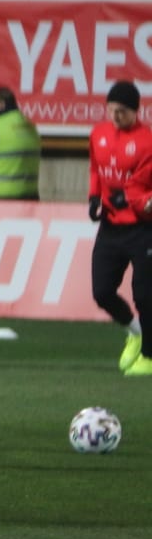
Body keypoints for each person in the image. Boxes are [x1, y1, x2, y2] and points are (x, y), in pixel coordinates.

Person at [88, 81, 152, 376]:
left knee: (146, 294)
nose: (115, 116)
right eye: (111, 110)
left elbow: (141, 186)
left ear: (135, 112)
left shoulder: (147, 141)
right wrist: (93, 195)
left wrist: (124, 198)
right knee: (102, 291)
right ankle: (136, 332)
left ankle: (149, 358)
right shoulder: (99, 134)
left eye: (122, 112)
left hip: (143, 227)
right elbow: (96, 169)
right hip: (111, 226)